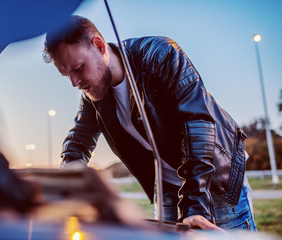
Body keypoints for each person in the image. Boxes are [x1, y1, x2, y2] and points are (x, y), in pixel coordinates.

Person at [43, 15, 256, 231]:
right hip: (167, 188)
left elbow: (198, 124)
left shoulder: (161, 54)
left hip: (212, 180)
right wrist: (71, 180)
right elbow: (77, 141)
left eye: (78, 68)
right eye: (67, 75)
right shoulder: (93, 93)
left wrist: (195, 207)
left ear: (98, 46)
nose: (75, 83)